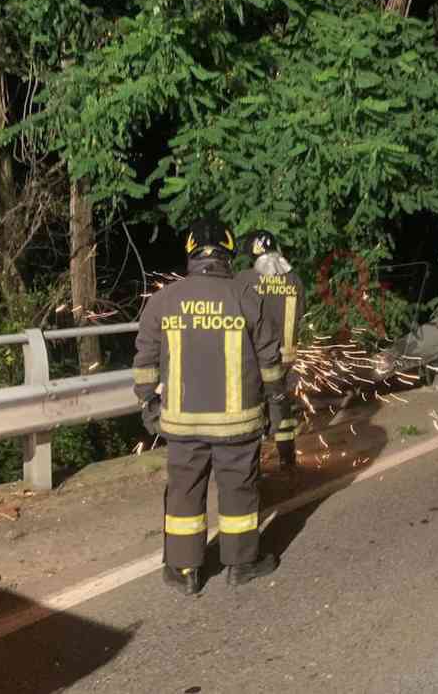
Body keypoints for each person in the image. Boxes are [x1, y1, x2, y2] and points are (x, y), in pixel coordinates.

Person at [132, 218, 288, 596]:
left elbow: (144, 362)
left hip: (182, 424)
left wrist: (148, 405)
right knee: (239, 491)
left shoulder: (164, 299)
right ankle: (241, 564)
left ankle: (185, 571)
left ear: (190, 254)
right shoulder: (246, 297)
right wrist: (278, 411)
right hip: (238, 425)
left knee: (184, 491)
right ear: (229, 252)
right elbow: (271, 363)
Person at [236, 230, 307, 473]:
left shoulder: (245, 280)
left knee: (251, 406)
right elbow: (301, 312)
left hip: (256, 357)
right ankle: (288, 459)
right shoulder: (294, 279)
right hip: (286, 356)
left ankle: (251, 463)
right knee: (280, 403)